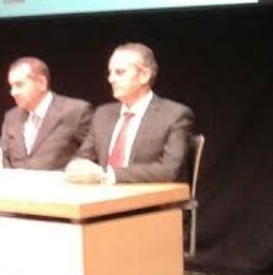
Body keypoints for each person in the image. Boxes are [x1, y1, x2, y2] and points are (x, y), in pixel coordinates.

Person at [66, 42, 194, 183]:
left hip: (148, 195)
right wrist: (76, 167)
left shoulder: (175, 115)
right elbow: (83, 158)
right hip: (101, 194)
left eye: (120, 72)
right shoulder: (103, 114)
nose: (111, 79)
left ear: (144, 75)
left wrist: (108, 175)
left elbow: (170, 170)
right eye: (110, 73)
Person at [0, 57, 92, 170]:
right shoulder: (11, 117)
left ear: (42, 83)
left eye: (19, 85)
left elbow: (91, 154)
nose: (13, 92)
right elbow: (2, 156)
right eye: (11, 86)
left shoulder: (76, 111)